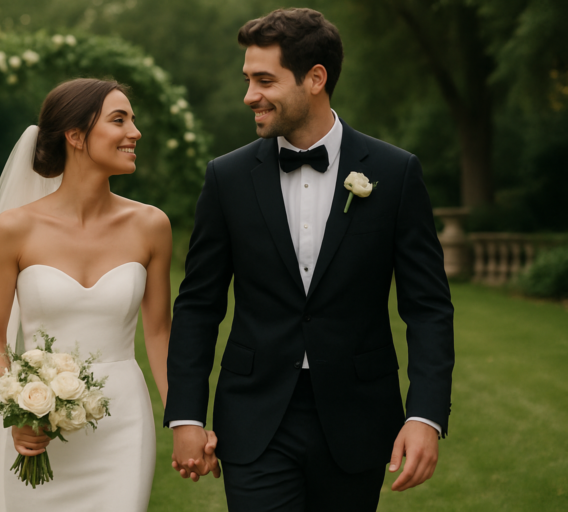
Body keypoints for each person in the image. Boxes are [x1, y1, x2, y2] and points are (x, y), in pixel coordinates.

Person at [165, 8, 454, 512]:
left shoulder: (395, 173)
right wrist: (186, 415)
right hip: (254, 417)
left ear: (315, 79)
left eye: (264, 80)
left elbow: (427, 307)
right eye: (248, 80)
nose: (249, 95)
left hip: (358, 417)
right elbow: (198, 305)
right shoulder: (226, 178)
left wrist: (425, 416)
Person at [0, 78, 215, 512]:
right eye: (119, 120)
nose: (135, 132)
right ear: (76, 136)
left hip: (122, 424)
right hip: (38, 428)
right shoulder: (14, 229)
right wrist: (17, 410)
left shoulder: (151, 225)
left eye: (133, 120)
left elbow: (159, 334)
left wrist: (184, 421)